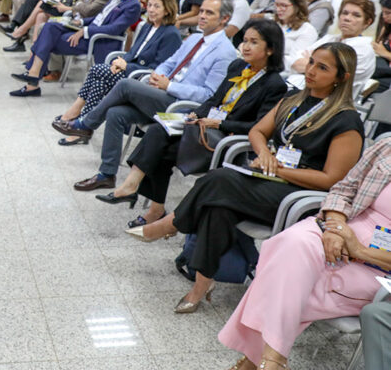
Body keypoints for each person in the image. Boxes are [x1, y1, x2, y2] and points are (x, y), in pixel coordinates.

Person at [129, 44, 363, 318]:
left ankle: (170, 225)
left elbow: (332, 180)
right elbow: (257, 132)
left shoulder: (347, 120)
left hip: (300, 196)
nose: (310, 70)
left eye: (322, 67)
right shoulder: (294, 99)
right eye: (311, 62)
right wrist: (264, 154)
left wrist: (278, 171)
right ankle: (201, 285)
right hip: (270, 179)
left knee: (220, 179)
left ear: (342, 77)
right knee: (218, 206)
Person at [218, 138, 391, 370]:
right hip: (340, 228)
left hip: (377, 267)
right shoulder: (387, 145)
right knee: (291, 243)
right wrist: (336, 228)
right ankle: (273, 361)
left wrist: (361, 251)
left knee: (283, 281)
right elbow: (343, 189)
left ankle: (259, 362)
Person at [106, 19, 287, 226]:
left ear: (270, 49)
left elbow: (258, 128)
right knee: (158, 130)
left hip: (225, 141)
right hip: (203, 128)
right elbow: (214, 99)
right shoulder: (238, 66)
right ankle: (134, 188)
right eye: (244, 40)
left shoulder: (275, 85)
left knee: (159, 149)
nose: (245, 46)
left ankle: (149, 204)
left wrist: (219, 124)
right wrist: (196, 113)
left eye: (253, 42)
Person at [62, 0, 238, 191]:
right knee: (115, 113)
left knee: (126, 85)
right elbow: (169, 63)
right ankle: (107, 174)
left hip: (181, 106)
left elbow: (208, 95)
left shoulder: (225, 52)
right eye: (202, 11)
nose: (202, 16)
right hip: (163, 93)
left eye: (209, 13)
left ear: (224, 19)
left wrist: (169, 86)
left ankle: (86, 124)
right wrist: (157, 76)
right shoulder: (195, 38)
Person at [53, 0, 182, 145]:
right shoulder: (147, 26)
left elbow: (159, 69)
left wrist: (126, 66)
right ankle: (81, 125)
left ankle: (76, 117)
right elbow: (133, 53)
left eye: (157, 6)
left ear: (167, 10)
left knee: (97, 71)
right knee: (100, 78)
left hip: (143, 79)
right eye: (149, 5)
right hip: (131, 71)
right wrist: (119, 63)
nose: (151, 10)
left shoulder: (171, 34)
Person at [9, 0, 138, 97]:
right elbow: (99, 18)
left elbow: (115, 28)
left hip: (98, 40)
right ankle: (33, 76)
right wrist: (81, 22)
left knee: (46, 39)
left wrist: (86, 30)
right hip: (88, 31)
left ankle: (32, 79)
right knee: (49, 27)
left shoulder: (133, 4)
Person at [288, 0, 377, 92]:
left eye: (356, 15)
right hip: (299, 86)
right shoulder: (329, 38)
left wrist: (309, 60)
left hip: (327, 98)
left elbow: (330, 78)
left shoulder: (363, 51)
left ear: (367, 22)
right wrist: (321, 66)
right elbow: (295, 60)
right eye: (345, 13)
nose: (347, 18)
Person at [273, 0, 318, 73]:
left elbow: (296, 62)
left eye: (283, 5)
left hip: (285, 73)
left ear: (297, 6)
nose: (278, 9)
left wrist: (268, 57)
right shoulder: (274, 23)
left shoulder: (307, 30)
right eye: (276, 4)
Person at [372, 0, 391, 92]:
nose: (384, 16)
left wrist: (385, 53)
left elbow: (382, 51)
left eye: (388, 13)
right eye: (383, 12)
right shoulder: (386, 27)